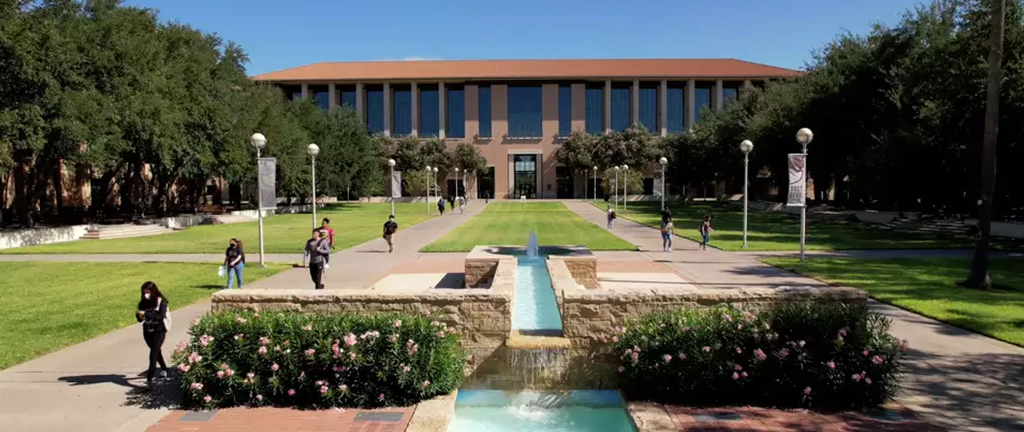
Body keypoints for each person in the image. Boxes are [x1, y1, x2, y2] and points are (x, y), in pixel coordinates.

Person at [135, 281, 169, 384]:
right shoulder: (142, 303)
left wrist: (147, 314)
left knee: (153, 354)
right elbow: (140, 320)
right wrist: (139, 315)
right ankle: (164, 369)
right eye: (144, 292)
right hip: (148, 331)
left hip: (159, 330)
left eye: (148, 292)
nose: (146, 294)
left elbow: (160, 316)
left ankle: (149, 377)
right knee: (156, 351)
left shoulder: (161, 302)